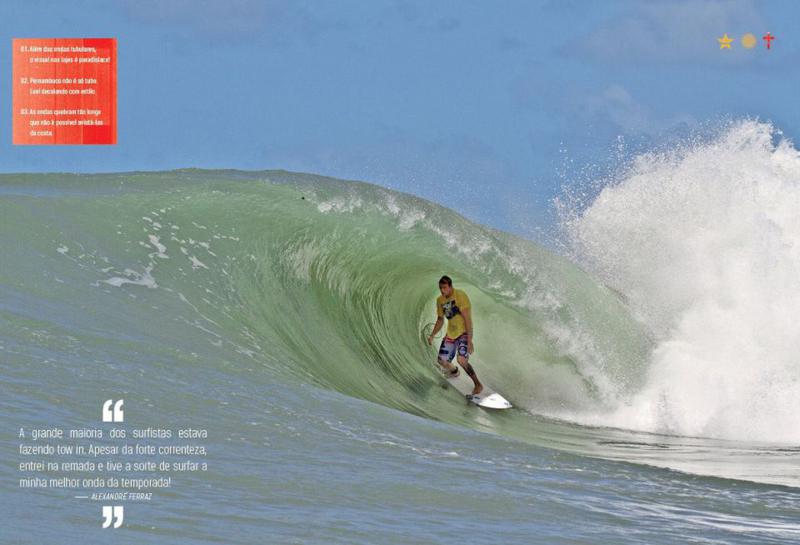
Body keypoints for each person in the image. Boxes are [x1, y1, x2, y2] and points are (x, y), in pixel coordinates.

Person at [426, 275, 483, 396]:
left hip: (463, 332)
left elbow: (467, 319)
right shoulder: (440, 301)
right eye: (441, 288)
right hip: (451, 334)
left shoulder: (460, 296)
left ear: (451, 286)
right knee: (442, 361)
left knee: (462, 360)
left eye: (445, 288)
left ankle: (478, 384)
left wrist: (469, 340)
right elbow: (440, 320)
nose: (442, 290)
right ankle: (454, 371)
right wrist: (432, 335)